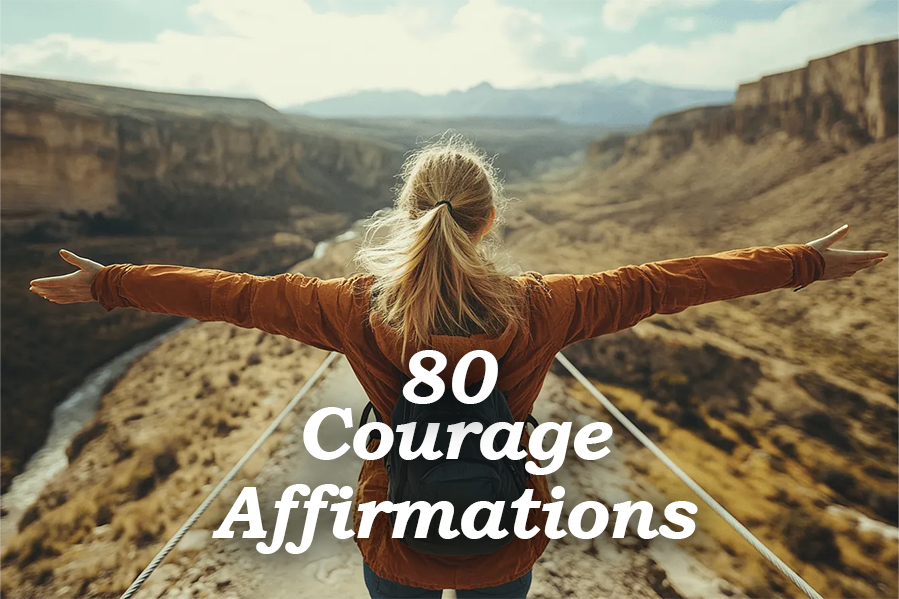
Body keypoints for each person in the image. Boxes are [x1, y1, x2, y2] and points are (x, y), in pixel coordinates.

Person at [29, 137, 887, 599]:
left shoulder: (355, 307)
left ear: (410, 213)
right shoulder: (545, 305)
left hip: (395, 527)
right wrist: (801, 261)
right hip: (502, 534)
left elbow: (232, 295)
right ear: (487, 222)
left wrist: (107, 282)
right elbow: (676, 282)